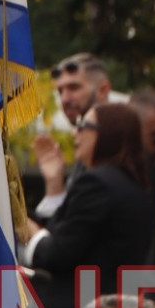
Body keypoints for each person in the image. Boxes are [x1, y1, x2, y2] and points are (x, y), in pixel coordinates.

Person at [23, 102, 155, 308]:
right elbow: (68, 234)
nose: (76, 132)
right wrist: (54, 184)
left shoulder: (97, 182)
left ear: (108, 134)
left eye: (85, 125)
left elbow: (56, 253)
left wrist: (28, 229)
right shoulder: (131, 185)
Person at [32, 55, 113, 226]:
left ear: (103, 90)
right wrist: (54, 184)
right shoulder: (84, 155)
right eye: (60, 91)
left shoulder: (122, 150)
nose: (65, 99)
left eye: (74, 88)